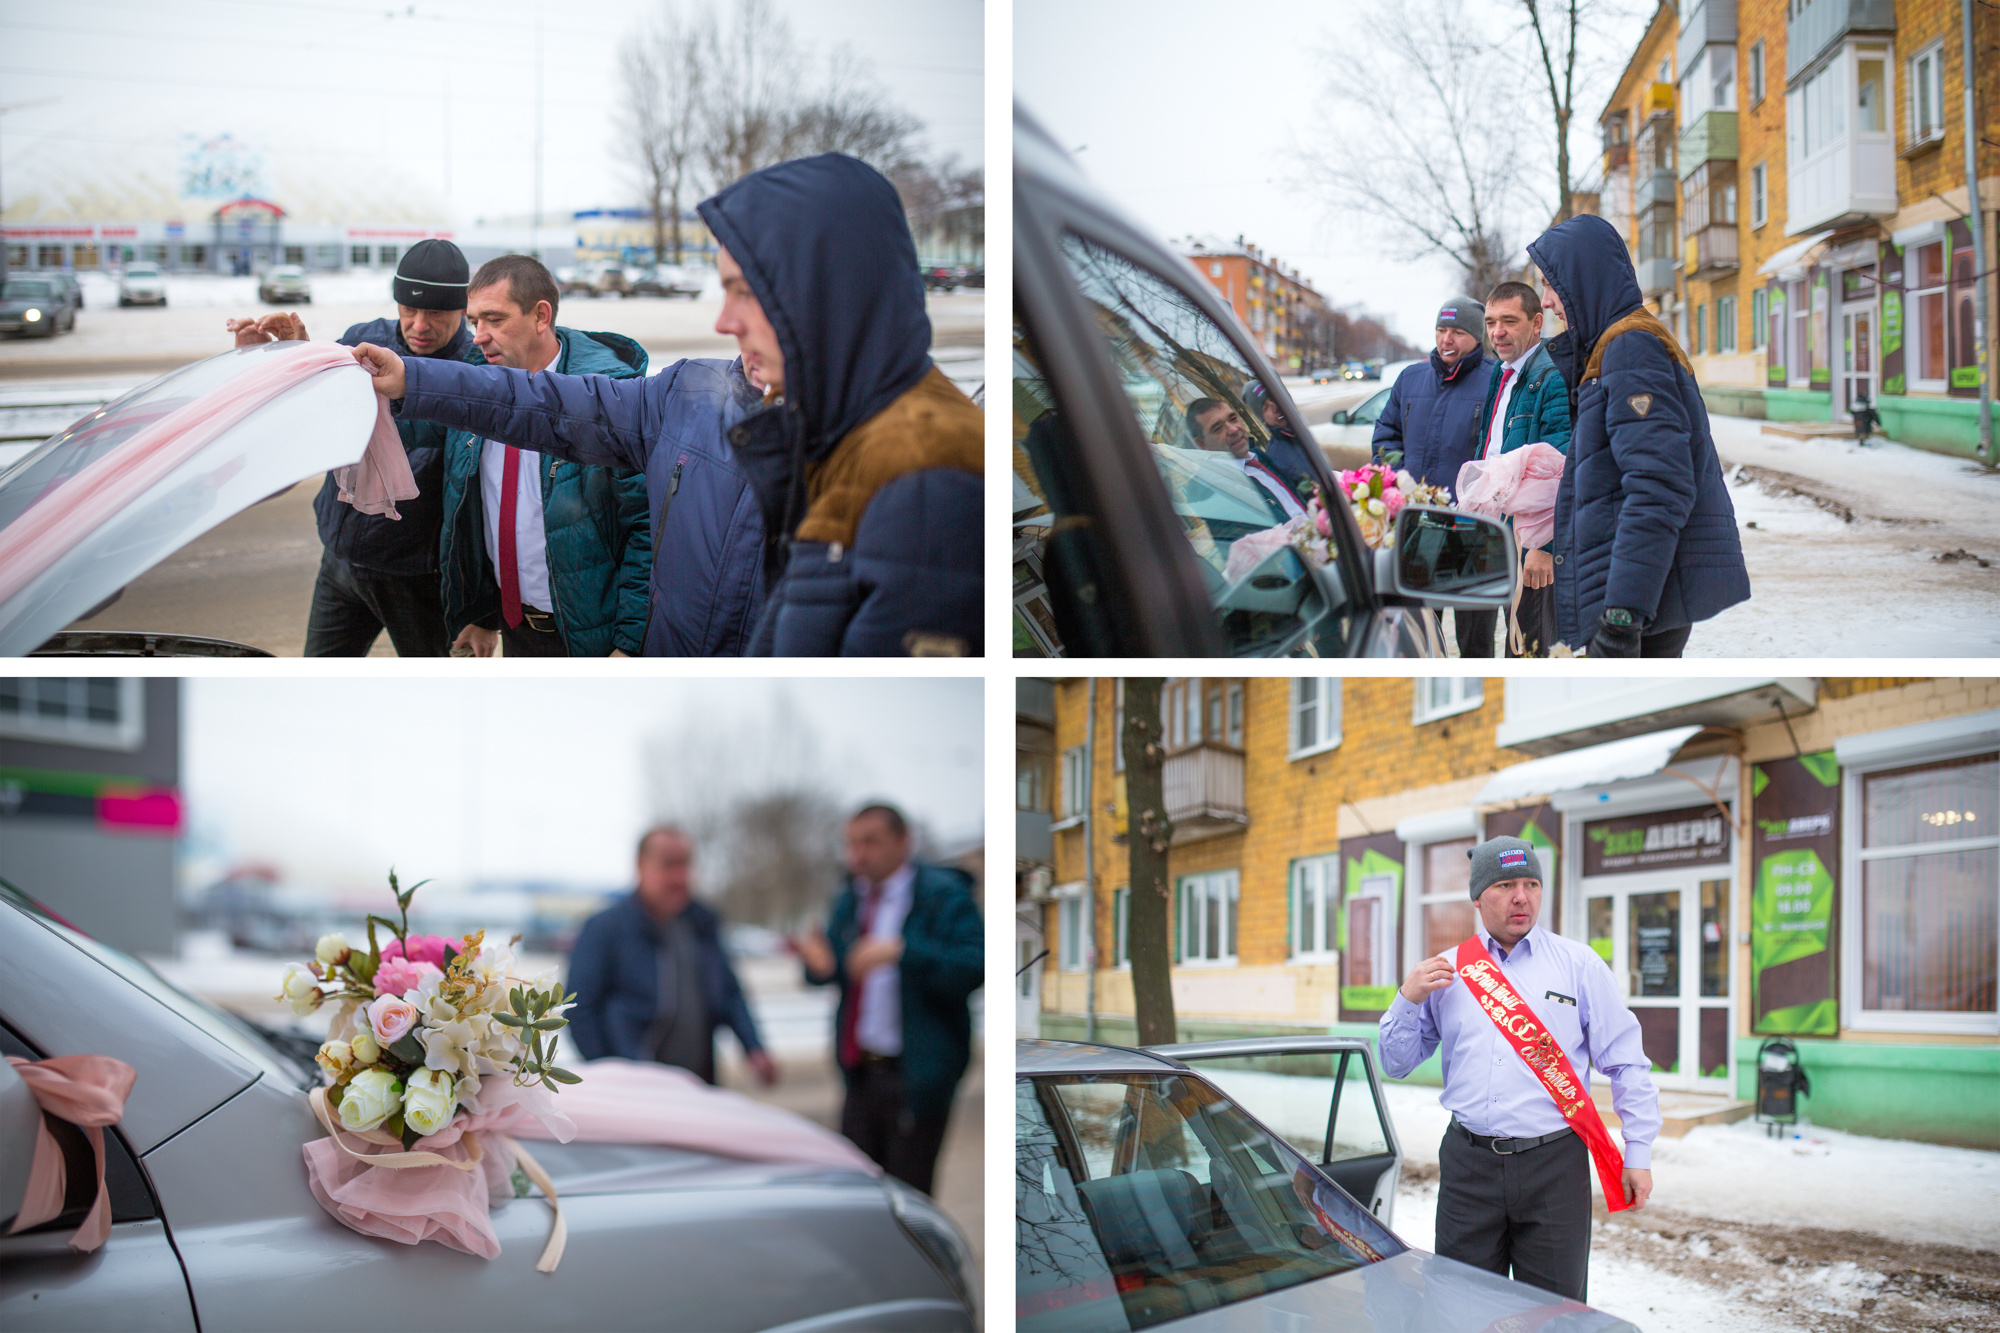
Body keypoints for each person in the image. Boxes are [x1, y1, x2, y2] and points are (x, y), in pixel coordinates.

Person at [348, 155, 981, 657]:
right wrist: (415, 380)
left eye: (745, 293)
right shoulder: (693, 397)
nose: (723, 319)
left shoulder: (928, 473)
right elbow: (544, 403)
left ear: (824, 290)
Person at [1379, 836, 1659, 1301]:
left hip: (1555, 1165)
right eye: (1506, 884)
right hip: (1469, 1165)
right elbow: (1396, 1063)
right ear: (1477, 897)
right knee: (1457, 1304)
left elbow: (1627, 1062)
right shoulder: (1446, 972)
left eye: (1531, 883)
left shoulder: (1578, 965)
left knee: (1553, 1312)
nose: (1521, 897)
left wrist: (1639, 1151)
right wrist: (1406, 1000)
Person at [230, 240, 477, 657]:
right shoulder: (363, 340)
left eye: (436, 313)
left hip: (418, 577)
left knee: (437, 696)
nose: (419, 324)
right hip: (340, 562)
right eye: (408, 309)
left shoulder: (473, 373)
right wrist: (297, 353)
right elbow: (320, 407)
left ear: (462, 310)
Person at [1526, 213, 1750, 657]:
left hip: (1639, 603)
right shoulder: (1613, 346)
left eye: (1551, 285)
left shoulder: (1630, 347)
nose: (1548, 301)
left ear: (1580, 279)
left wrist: (1624, 613)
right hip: (1640, 590)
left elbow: (1658, 485)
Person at [438, 256, 650, 658]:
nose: (478, 336)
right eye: (473, 322)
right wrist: (482, 613)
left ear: (540, 316)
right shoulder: (474, 384)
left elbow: (647, 528)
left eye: (494, 319)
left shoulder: (609, 399)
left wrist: (630, 644)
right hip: (517, 627)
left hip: (594, 643)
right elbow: (475, 510)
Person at [796, 803, 982, 1195]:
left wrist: (901, 951)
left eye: (870, 842)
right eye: (851, 844)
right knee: (860, 1195)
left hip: (915, 1075)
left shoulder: (941, 894)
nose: (858, 854)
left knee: (908, 1197)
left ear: (902, 841)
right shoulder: (850, 898)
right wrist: (819, 967)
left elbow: (974, 966)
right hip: (860, 1073)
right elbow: (835, 970)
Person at [567, 826, 777, 1087]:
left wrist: (754, 1048)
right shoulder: (605, 928)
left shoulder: (703, 924)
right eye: (668, 865)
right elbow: (578, 1009)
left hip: (699, 1085)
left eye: (685, 865)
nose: (679, 877)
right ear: (641, 867)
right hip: (636, 1091)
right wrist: (611, 1076)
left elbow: (730, 994)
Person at [1371, 297, 1491, 657]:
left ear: (1475, 335)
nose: (1447, 339)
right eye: (1441, 330)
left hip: (1472, 534)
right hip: (1418, 529)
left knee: (1475, 640)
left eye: (1457, 331)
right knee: (1418, 633)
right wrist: (1398, 483)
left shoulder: (1494, 380)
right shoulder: (1411, 378)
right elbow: (1385, 436)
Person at [1471, 280, 1574, 658]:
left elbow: (1560, 470)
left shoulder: (1550, 378)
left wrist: (1545, 547)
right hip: (1500, 533)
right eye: (1491, 321)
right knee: (1514, 637)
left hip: (1530, 542)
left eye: (1509, 321)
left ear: (1536, 323)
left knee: (1531, 647)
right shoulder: (1503, 375)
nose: (1497, 331)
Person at [1186, 397, 1307, 521]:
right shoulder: (1214, 494)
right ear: (1202, 444)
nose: (1233, 429)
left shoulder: (1259, 457)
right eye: (1218, 428)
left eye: (1233, 419)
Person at [1241, 380, 1319, 497]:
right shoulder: (1277, 460)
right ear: (1263, 420)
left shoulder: (1305, 429)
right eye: (1266, 407)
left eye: (1273, 398)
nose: (1275, 407)